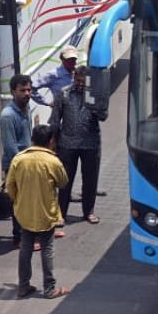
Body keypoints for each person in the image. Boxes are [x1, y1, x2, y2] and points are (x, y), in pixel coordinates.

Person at [9, 124, 69, 299]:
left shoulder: (19, 159)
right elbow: (63, 182)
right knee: (47, 249)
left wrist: (18, 202)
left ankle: (23, 286)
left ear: (32, 139)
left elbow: (11, 186)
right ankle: (49, 289)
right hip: (46, 213)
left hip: (24, 213)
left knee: (25, 248)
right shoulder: (53, 161)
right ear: (51, 141)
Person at [49, 65, 107, 225]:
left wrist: (95, 105)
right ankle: (61, 213)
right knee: (64, 181)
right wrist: (52, 142)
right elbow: (55, 120)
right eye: (78, 80)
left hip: (90, 144)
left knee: (90, 180)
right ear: (74, 78)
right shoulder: (64, 93)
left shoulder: (95, 94)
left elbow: (104, 116)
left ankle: (88, 212)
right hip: (67, 144)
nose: (80, 84)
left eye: (84, 81)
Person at [2, 73, 37, 245]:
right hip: (16, 166)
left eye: (29, 89)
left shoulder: (27, 108)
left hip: (28, 163)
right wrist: (24, 167)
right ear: (13, 92)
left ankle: (27, 234)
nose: (27, 93)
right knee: (19, 203)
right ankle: (19, 238)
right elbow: (10, 147)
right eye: (22, 90)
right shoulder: (8, 115)